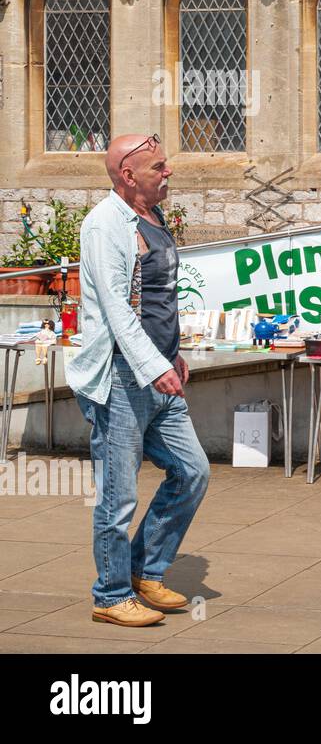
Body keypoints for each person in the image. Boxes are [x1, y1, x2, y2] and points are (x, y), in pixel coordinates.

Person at [66, 134, 209, 627]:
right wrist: (156, 367)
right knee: (117, 494)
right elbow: (118, 313)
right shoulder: (105, 225)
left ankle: (145, 569)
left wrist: (176, 354)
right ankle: (109, 594)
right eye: (159, 167)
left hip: (159, 370)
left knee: (193, 472)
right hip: (122, 379)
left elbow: (158, 300)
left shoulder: (154, 217)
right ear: (128, 175)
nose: (168, 173)